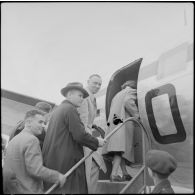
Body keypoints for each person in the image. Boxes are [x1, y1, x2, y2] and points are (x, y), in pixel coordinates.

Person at [42, 82, 106, 194]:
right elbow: (80, 135)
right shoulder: (70, 109)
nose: (82, 99)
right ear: (70, 95)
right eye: (80, 96)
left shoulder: (58, 110)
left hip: (55, 162)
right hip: (67, 162)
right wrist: (96, 141)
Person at [3, 109, 66, 194]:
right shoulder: (32, 140)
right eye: (40, 122)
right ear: (28, 122)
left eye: (44, 123)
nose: (43, 126)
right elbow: (36, 170)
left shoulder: (15, 139)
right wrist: (57, 176)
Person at [102, 80, 139, 182]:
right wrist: (136, 115)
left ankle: (125, 173)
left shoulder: (117, 94)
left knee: (119, 148)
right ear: (132, 86)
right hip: (124, 123)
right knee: (119, 149)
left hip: (114, 123)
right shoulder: (131, 91)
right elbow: (128, 102)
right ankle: (114, 175)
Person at [77, 74, 107, 193]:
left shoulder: (92, 97)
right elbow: (83, 122)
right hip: (85, 137)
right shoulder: (84, 96)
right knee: (92, 167)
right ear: (88, 81)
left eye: (99, 84)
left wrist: (92, 124)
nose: (97, 86)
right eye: (95, 83)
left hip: (88, 133)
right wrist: (90, 141)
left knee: (94, 166)